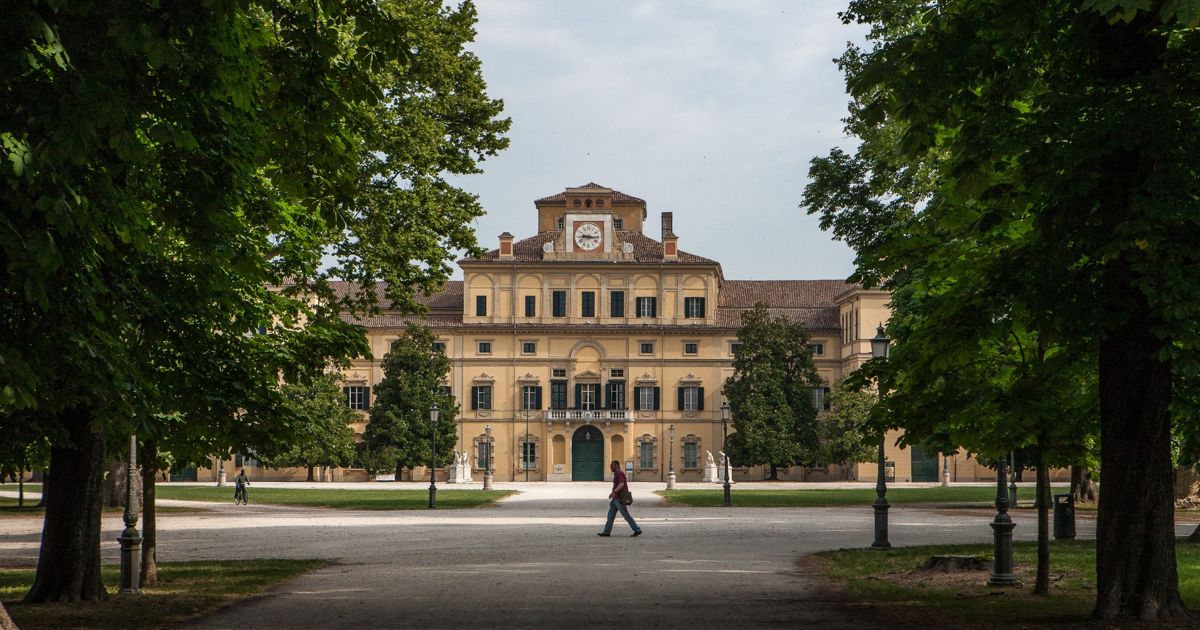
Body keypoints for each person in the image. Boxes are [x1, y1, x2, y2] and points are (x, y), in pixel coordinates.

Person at [598, 460, 642, 537]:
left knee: (626, 515)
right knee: (610, 516)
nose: (611, 467)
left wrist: (614, 492)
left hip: (619, 499)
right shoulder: (616, 474)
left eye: (612, 465)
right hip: (615, 499)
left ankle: (637, 530)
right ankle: (606, 532)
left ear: (617, 465)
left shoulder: (619, 473)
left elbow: (621, 484)